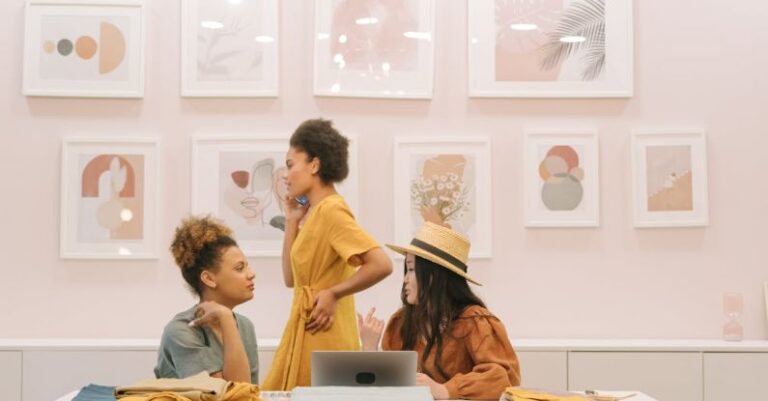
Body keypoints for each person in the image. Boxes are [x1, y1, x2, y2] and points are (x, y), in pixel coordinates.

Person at [263, 119, 393, 390]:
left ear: (314, 164)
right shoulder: (314, 214)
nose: (285, 175)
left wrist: (334, 293)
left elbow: (381, 264)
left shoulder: (332, 210)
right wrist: (292, 221)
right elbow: (290, 280)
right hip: (309, 328)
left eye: (290, 164)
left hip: (323, 332)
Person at [359, 222, 521, 400]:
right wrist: (369, 348)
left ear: (434, 275)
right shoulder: (401, 323)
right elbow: (388, 389)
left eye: (411, 270)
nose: (405, 279)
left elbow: (503, 379)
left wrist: (446, 390)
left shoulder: (474, 321)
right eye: (406, 270)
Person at [155, 215, 258, 383]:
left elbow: (247, 394)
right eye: (240, 268)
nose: (251, 274)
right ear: (209, 279)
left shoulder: (245, 327)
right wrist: (226, 319)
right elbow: (228, 395)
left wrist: (227, 320)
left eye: (247, 266)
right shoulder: (180, 331)